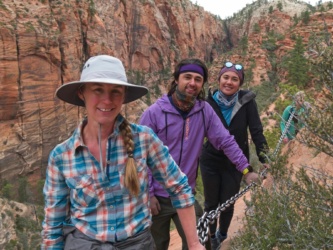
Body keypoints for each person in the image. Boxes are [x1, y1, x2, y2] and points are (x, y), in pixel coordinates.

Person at [41, 55, 205, 250]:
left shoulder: (144, 140)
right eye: (98, 90)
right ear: (81, 93)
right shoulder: (61, 156)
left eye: (116, 91)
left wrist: (194, 244)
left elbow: (179, 187)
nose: (107, 100)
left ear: (124, 95)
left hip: (138, 244)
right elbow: (53, 227)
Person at [140, 58, 261, 250]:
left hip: (184, 195)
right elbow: (140, 156)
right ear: (176, 79)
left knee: (200, 242)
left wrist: (246, 170)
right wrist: (148, 194)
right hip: (157, 197)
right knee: (156, 245)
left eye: (198, 79)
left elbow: (225, 141)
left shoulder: (204, 111)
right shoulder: (154, 113)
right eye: (187, 77)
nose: (192, 83)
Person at [199, 62, 269, 249]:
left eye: (234, 79)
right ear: (219, 79)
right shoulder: (207, 103)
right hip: (211, 161)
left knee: (228, 202)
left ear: (240, 83)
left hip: (237, 163)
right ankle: (211, 238)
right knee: (211, 203)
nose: (229, 82)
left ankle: (222, 235)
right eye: (226, 77)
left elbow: (256, 131)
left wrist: (265, 158)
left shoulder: (247, 102)